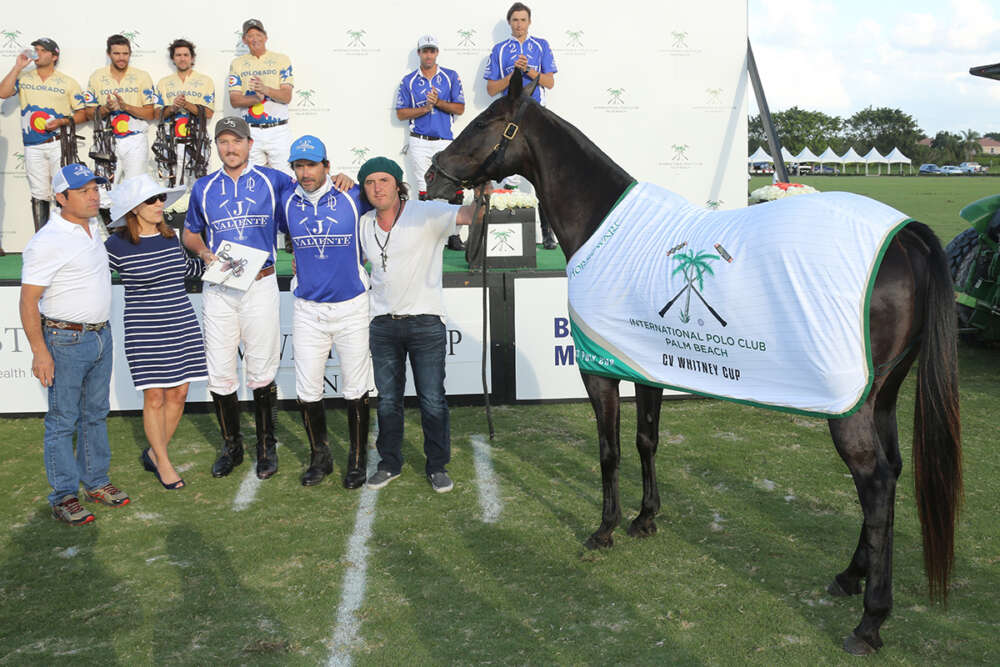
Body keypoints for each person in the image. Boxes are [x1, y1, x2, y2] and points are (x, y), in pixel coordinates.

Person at [182, 117, 352, 480]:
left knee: (261, 371)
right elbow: (191, 234)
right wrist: (206, 255)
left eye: (237, 141)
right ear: (217, 146)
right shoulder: (203, 187)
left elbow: (312, 188)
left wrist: (344, 180)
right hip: (220, 288)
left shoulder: (273, 180)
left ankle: (265, 448)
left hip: (259, 284)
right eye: (223, 142)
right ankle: (232, 446)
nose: (230, 148)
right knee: (221, 372)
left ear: (249, 143)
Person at [356, 157, 483, 493]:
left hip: (425, 323)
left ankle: (437, 465)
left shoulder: (424, 212)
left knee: (432, 399)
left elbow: (471, 215)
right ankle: (389, 463)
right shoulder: (364, 223)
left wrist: (483, 186)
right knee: (387, 400)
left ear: (398, 184)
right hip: (382, 324)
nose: (377, 187)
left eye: (384, 180)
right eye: (370, 182)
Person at [19, 163, 130, 525]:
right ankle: (64, 495)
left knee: (95, 414)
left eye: (95, 188)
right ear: (60, 197)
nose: (93, 195)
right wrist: (39, 351)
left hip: (101, 335)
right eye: (83, 191)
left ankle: (96, 481)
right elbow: (27, 300)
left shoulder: (92, 227)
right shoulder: (47, 241)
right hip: (65, 339)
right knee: (63, 420)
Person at [280, 135, 373, 488]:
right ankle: (320, 457)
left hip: (352, 306)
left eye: (311, 165)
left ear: (327, 166)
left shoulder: (352, 196)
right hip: (308, 309)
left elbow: (389, 200)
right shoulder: (285, 201)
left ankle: (358, 459)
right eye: (299, 166)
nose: (305, 172)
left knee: (356, 387)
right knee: (307, 389)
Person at [106, 174, 208, 490]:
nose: (160, 203)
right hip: (145, 329)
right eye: (152, 199)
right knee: (154, 396)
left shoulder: (170, 236)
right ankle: (164, 463)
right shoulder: (115, 245)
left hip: (182, 322)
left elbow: (189, 270)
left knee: (179, 392)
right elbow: (88, 275)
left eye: (161, 197)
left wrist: (218, 262)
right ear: (134, 208)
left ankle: (154, 452)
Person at [484, 2, 559, 249]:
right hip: (510, 119)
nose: (519, 24)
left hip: (537, 118)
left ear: (529, 22)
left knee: (543, 175)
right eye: (514, 20)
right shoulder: (499, 50)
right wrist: (513, 74)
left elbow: (549, 82)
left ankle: (548, 233)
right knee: (509, 172)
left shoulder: (541, 46)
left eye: (523, 20)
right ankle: (507, 232)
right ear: (509, 23)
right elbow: (492, 88)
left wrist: (528, 69)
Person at [0, 37, 88, 232]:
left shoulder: (68, 82)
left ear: (54, 55)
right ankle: (42, 241)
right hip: (32, 145)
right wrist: (17, 67)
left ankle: (63, 237)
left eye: (42, 50)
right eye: (35, 49)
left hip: (58, 143)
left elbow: (83, 113)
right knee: (39, 193)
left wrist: (62, 121)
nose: (37, 53)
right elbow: (3, 93)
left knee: (62, 190)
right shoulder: (24, 77)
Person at [395, 34, 466, 251]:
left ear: (437, 53)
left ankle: (454, 236)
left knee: (455, 188)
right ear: (419, 53)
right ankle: (430, 237)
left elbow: (460, 108)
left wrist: (438, 103)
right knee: (425, 190)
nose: (429, 54)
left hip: (445, 141)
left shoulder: (450, 76)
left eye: (432, 50)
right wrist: (424, 109)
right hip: (419, 141)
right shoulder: (408, 81)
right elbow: (401, 113)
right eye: (425, 50)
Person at [85, 34, 157, 212]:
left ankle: (134, 235)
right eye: (116, 53)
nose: (121, 57)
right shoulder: (97, 76)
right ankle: (110, 237)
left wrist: (125, 106)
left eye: (125, 53)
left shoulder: (142, 76)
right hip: (107, 140)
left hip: (135, 139)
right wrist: (107, 108)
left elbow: (150, 113)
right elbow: (88, 113)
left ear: (130, 53)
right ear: (109, 53)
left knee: (136, 189)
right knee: (104, 191)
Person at [228, 19, 294, 175]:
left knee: (287, 177)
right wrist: (256, 99)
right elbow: (234, 100)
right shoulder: (237, 63)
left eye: (258, 34)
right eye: (250, 35)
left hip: (278, 130)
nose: (255, 39)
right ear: (244, 40)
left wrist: (265, 90)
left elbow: (286, 96)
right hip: (250, 131)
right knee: (252, 178)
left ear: (265, 37)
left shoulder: (281, 60)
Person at [154, 38, 215, 186]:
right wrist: (173, 108)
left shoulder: (205, 81)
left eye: (186, 55)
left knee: (198, 183)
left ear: (192, 58)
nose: (182, 59)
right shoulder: (164, 82)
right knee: (171, 183)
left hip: (196, 141)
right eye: (178, 55)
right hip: (171, 141)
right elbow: (156, 114)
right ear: (173, 58)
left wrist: (187, 105)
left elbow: (208, 113)